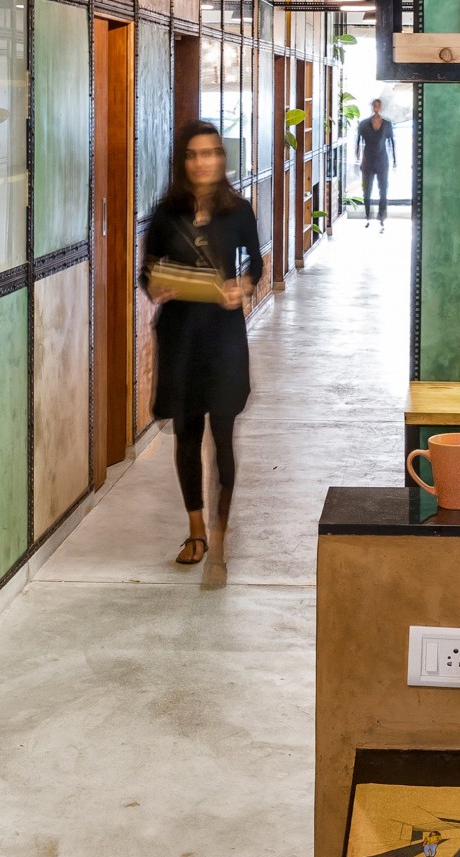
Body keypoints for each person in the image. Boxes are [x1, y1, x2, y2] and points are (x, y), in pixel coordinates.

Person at [139, 121, 262, 565]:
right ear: (183, 162)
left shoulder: (239, 211)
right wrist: (156, 286)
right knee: (187, 436)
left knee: (223, 434)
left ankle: (221, 526)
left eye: (210, 152)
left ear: (221, 159)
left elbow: (257, 265)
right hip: (180, 335)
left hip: (223, 334)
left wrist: (243, 286)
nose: (202, 161)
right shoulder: (165, 213)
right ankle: (195, 529)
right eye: (193, 154)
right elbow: (147, 273)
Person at [355, 99, 396, 233]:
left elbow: (392, 143)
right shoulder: (364, 124)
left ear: (381, 107)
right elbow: (358, 142)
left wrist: (395, 160)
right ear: (372, 107)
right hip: (368, 160)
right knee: (367, 189)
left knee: (383, 189)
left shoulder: (387, 124)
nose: (376, 108)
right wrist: (358, 159)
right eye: (374, 105)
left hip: (382, 161)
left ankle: (382, 216)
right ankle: (367, 215)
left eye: (378, 105)